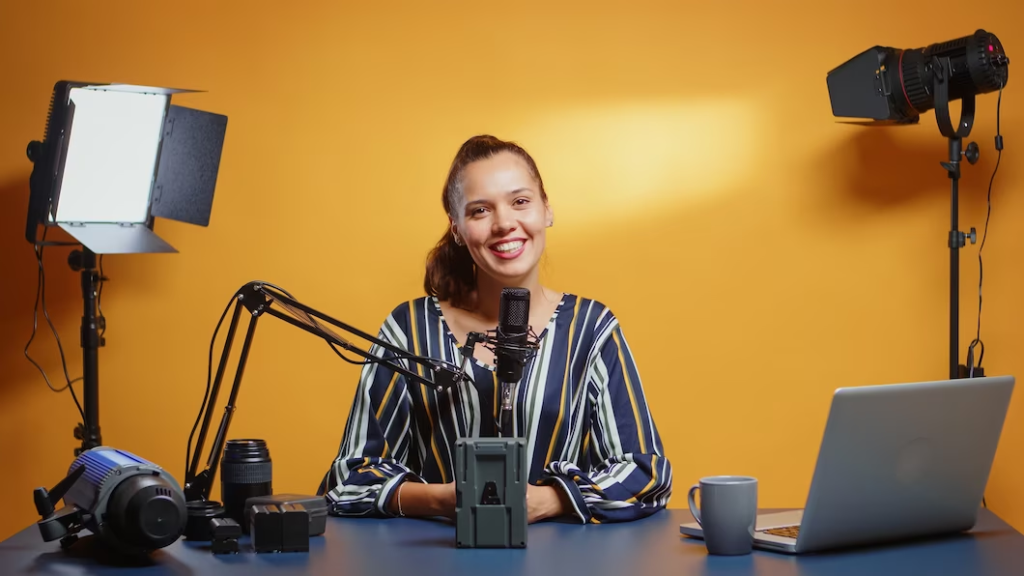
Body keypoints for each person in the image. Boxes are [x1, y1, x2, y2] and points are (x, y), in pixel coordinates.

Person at [322, 134, 672, 524]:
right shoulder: (409, 330)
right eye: (480, 211)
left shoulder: (591, 330)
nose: (505, 223)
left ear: (547, 210)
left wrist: (549, 500)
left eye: (520, 201)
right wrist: (442, 500)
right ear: (456, 228)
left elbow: (645, 473)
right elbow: (348, 479)